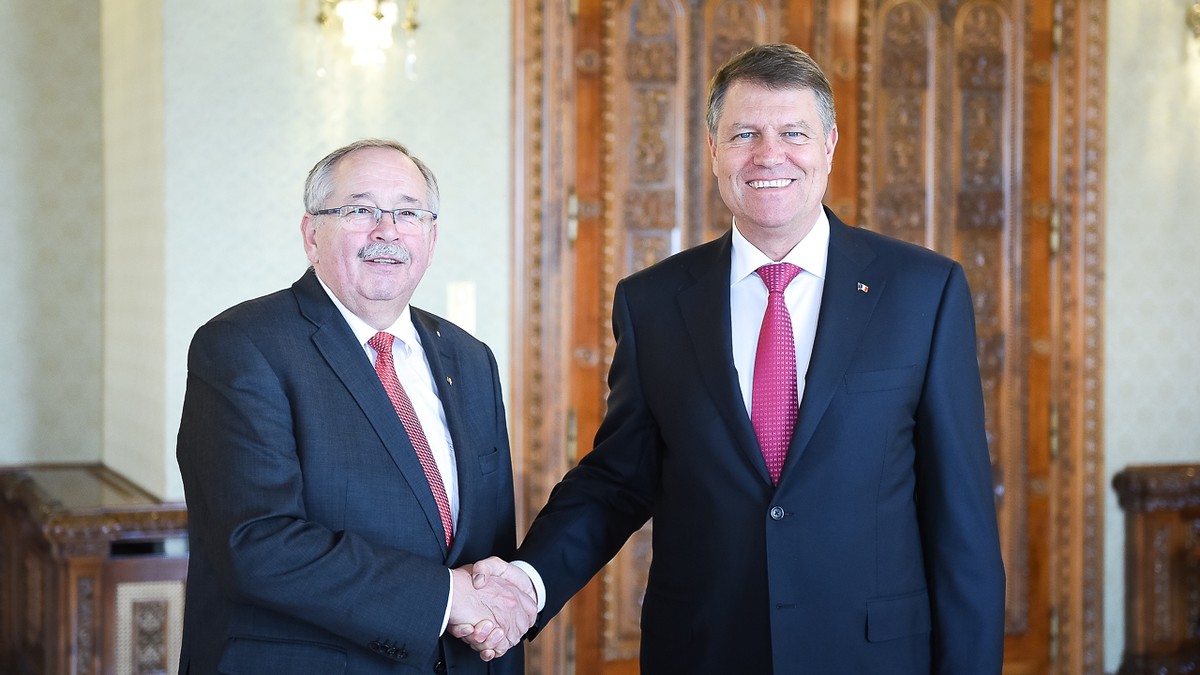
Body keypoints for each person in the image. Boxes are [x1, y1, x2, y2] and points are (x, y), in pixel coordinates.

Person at [461, 43, 1006, 673]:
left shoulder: (923, 291)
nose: (769, 155)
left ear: (829, 146)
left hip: (872, 654)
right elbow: (618, 479)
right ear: (714, 150)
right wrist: (526, 583)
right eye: (745, 133)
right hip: (704, 651)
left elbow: (961, 515)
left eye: (793, 133)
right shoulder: (653, 302)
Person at [176, 139, 534, 675]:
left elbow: (489, 547)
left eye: (408, 213)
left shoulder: (471, 359)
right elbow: (255, 543)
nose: (387, 231)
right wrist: (444, 598)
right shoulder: (242, 345)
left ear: (431, 238)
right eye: (360, 210)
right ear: (311, 235)